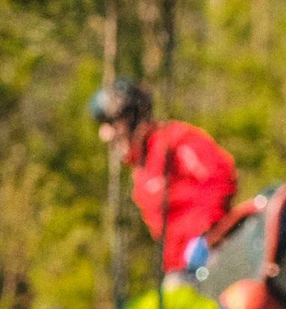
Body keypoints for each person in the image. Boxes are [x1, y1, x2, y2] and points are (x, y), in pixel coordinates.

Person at [91, 78, 238, 277]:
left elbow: (219, 177)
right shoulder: (140, 170)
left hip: (214, 254)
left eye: (110, 123)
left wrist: (204, 236)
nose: (105, 135)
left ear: (133, 118)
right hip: (178, 268)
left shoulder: (174, 140)